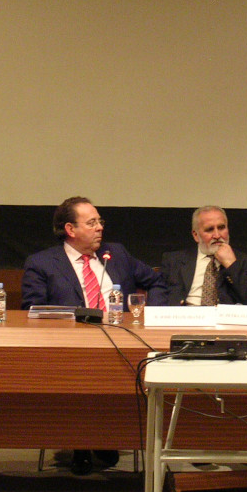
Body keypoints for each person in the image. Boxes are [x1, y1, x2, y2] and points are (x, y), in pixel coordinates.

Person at [20, 196, 168, 475]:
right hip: (70, 349)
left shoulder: (116, 253)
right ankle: (83, 443)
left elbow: (157, 281)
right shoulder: (42, 263)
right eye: (91, 223)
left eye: (100, 221)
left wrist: (150, 316)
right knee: (81, 375)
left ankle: (107, 436)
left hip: (123, 342)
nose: (100, 227)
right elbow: (32, 310)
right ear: (70, 229)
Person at [161, 205, 247, 306]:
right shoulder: (174, 260)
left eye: (221, 228)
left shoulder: (245, 261)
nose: (217, 235)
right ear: (196, 235)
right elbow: (161, 297)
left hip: (223, 315)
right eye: (209, 229)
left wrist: (231, 264)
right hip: (185, 313)